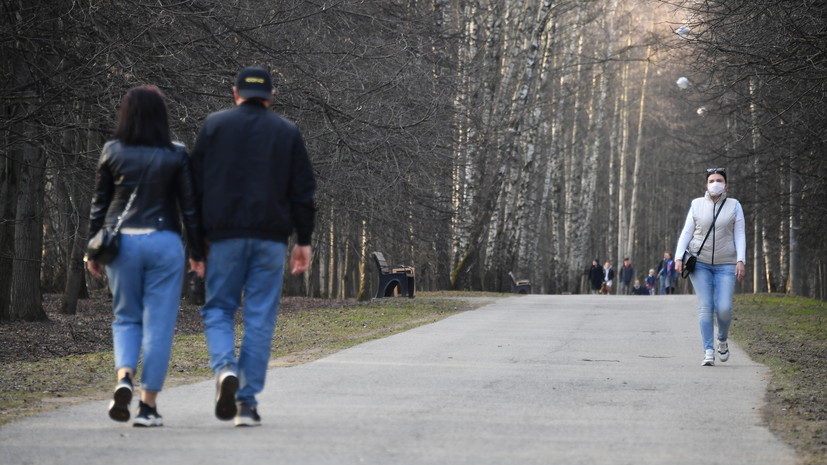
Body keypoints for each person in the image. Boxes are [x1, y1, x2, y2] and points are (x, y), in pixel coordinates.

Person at [191, 66, 316, 426]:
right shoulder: (287, 132)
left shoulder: (214, 127)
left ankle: (225, 369)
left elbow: (194, 190)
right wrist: (303, 240)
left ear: (236, 93)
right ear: (270, 96)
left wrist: (196, 245)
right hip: (270, 239)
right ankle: (246, 403)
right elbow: (303, 192)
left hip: (223, 238)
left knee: (218, 310)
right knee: (260, 316)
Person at [87, 85, 206, 427]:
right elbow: (190, 209)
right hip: (164, 242)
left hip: (122, 244)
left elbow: (99, 205)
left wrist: (92, 250)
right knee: (159, 328)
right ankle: (147, 407)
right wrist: (197, 254)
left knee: (126, 318)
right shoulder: (177, 154)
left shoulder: (112, 151)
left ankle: (124, 376)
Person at [675, 168, 746, 366]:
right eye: (712, 180)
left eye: (719, 180)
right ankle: (708, 350)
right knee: (706, 307)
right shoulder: (697, 205)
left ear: (726, 184)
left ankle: (722, 339)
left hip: (726, 263)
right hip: (700, 264)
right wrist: (678, 257)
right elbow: (687, 232)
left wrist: (741, 259)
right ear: (706, 185)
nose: (715, 183)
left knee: (724, 308)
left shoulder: (734, 205)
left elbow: (739, 234)